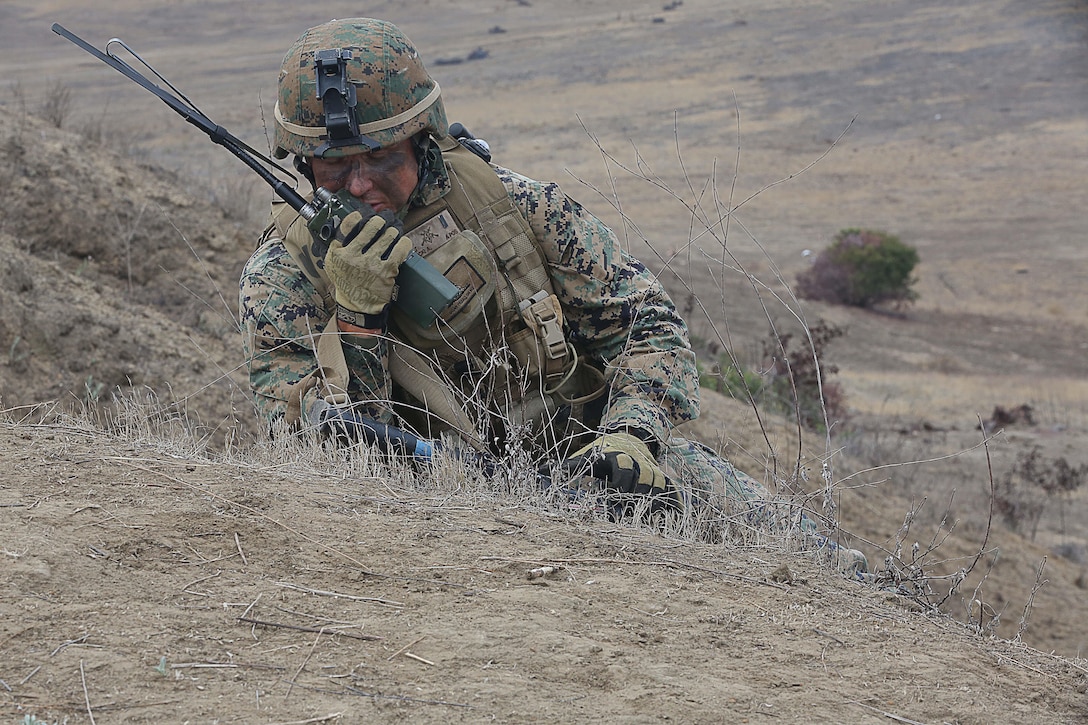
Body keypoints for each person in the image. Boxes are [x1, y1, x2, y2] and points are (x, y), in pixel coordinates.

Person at [238, 17, 867, 573]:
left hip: (592, 459)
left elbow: (643, 321)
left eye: (380, 159)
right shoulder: (283, 276)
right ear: (301, 164)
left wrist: (633, 434)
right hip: (439, 517)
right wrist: (357, 319)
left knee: (825, 567)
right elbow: (314, 461)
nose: (360, 184)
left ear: (422, 139)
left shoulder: (509, 204)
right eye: (332, 167)